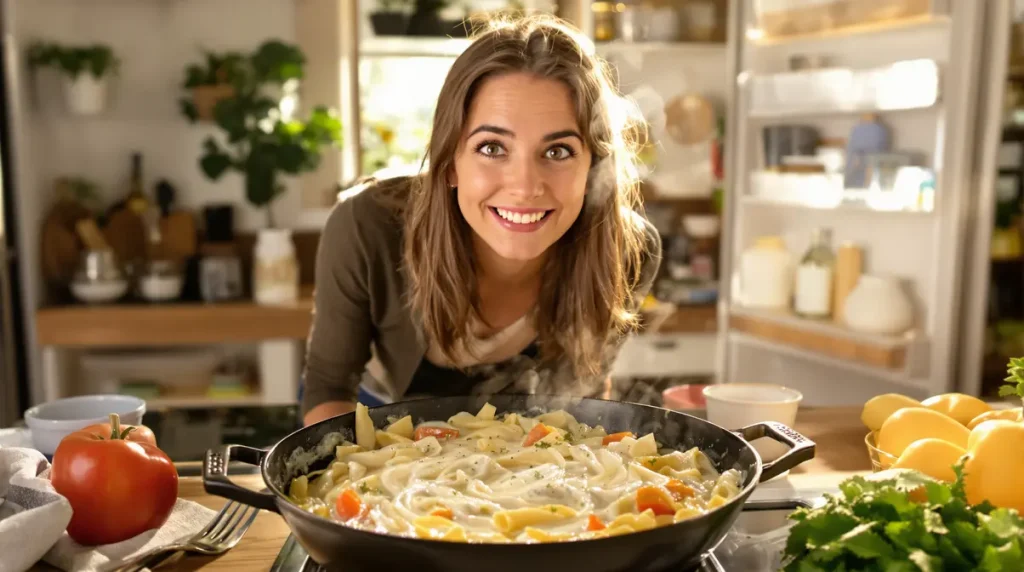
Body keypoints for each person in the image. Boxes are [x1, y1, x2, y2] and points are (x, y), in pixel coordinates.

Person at [302, 15, 662, 426]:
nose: (525, 187)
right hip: (378, 428)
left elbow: (586, 402)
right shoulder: (366, 224)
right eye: (492, 147)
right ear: (450, 162)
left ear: (594, 168)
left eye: (558, 151)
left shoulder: (629, 250)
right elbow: (329, 387)